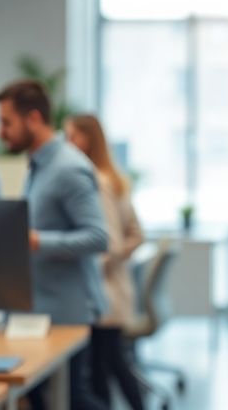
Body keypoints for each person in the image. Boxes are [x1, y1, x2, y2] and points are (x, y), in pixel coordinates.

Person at [0, 80, 109, 410]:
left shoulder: (68, 169)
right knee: (45, 398)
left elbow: (98, 237)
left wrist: (37, 240)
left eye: (7, 122)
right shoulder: (39, 166)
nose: (2, 133)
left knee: (72, 399)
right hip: (44, 309)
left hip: (67, 312)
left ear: (32, 118)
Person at [65, 115, 145, 410]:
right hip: (117, 288)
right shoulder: (114, 177)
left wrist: (85, 271)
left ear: (87, 139)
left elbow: (106, 245)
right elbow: (136, 235)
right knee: (111, 366)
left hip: (104, 292)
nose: (67, 144)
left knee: (106, 369)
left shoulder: (96, 181)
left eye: (71, 136)